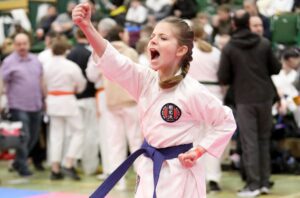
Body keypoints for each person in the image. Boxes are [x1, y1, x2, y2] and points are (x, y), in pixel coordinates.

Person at [72, 3, 236, 198]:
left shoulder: (191, 91)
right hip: (149, 166)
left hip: (180, 172)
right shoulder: (145, 80)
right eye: (152, 37)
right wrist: (87, 27)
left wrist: (199, 150)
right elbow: (114, 60)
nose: (153, 41)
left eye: (163, 38)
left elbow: (226, 121)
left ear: (181, 50)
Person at [218, 10, 281, 197]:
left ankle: (253, 185)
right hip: (265, 98)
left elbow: (223, 77)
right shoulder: (264, 43)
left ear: (234, 25)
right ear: (248, 24)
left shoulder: (229, 47)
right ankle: (263, 183)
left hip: (244, 99)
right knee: (263, 141)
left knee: (250, 143)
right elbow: (276, 69)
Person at [43, 35, 86, 180]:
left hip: (52, 100)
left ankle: (55, 169)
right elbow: (81, 84)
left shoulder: (46, 65)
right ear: (66, 50)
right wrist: (76, 89)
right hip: (67, 100)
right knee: (79, 130)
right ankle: (68, 162)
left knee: (56, 135)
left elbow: (42, 85)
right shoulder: (70, 66)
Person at [1, 33, 43, 177]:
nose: (22, 47)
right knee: (24, 137)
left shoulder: (35, 60)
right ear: (14, 45)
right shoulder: (8, 62)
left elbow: (40, 80)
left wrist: (44, 99)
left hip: (36, 104)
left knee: (33, 137)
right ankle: (23, 167)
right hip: (18, 105)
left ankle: (18, 161)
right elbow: (2, 82)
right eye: (18, 44)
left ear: (29, 44)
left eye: (24, 43)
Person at [188, 22, 224, 193]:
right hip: (214, 94)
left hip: (193, 94)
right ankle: (213, 178)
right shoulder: (215, 52)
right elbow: (223, 75)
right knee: (213, 138)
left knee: (196, 139)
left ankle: (199, 177)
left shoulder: (186, 51)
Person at [67, 28, 98, 175]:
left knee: (73, 134)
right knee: (90, 133)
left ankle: (70, 163)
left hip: (74, 99)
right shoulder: (90, 53)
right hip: (90, 98)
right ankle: (89, 167)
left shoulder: (70, 54)